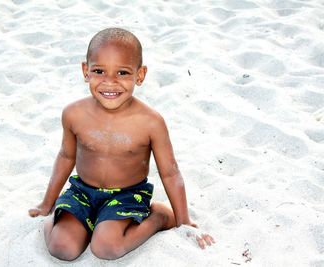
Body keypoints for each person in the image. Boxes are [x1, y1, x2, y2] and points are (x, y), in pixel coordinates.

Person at [29, 27, 214, 261]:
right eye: (99, 71)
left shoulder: (151, 122)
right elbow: (66, 157)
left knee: (106, 248)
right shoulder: (73, 114)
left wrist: (183, 219)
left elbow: (170, 172)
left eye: (123, 73)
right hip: (82, 192)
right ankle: (68, 220)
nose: (110, 83)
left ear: (140, 75)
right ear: (85, 71)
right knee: (62, 248)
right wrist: (47, 203)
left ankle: (157, 217)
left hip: (127, 195)